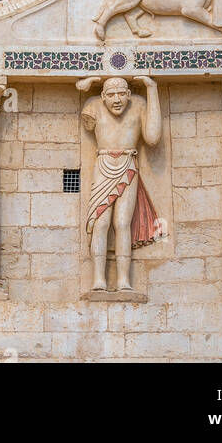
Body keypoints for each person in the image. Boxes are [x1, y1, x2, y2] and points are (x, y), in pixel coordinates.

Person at [79, 75, 162, 292]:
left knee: (123, 223)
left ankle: (124, 280)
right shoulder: (93, 106)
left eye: (122, 94)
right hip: (104, 163)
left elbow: (152, 138)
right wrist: (87, 85)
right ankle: (99, 280)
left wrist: (151, 89)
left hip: (128, 164)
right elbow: (88, 120)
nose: (117, 100)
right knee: (100, 222)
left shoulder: (139, 105)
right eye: (111, 95)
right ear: (103, 96)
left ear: (128, 94)